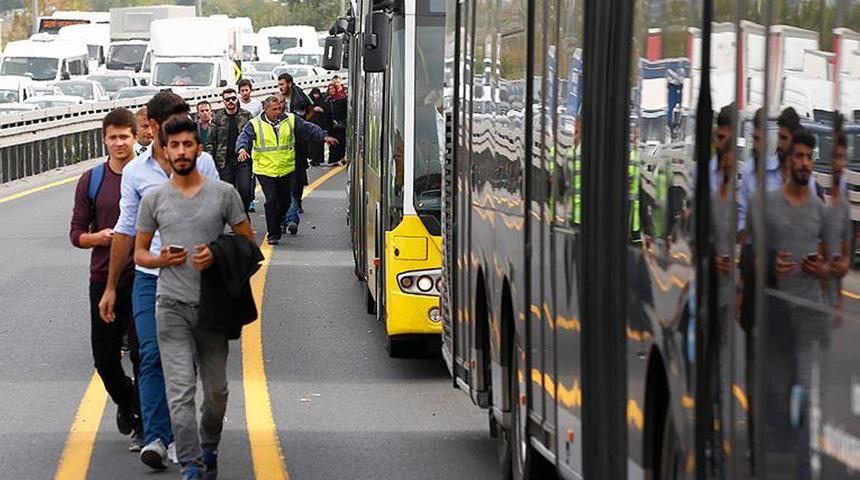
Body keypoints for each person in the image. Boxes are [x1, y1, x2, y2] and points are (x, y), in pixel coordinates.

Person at [99, 91, 220, 471]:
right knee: (150, 355)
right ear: (150, 127)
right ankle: (155, 436)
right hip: (150, 278)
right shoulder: (135, 173)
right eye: (168, 124)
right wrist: (112, 286)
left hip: (195, 279)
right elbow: (124, 230)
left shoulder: (205, 164)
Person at [135, 116, 254, 480]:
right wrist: (161, 259)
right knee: (180, 392)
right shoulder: (154, 199)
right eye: (175, 146)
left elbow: (249, 246)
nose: (182, 151)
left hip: (213, 309)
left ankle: (209, 446)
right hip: (170, 306)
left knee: (216, 394)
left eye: (188, 145)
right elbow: (139, 254)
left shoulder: (223, 193)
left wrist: (217, 254)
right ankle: (190, 463)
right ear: (166, 152)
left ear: (198, 149)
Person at [69, 108, 143, 452]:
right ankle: (127, 398)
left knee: (144, 355)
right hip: (103, 278)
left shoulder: (148, 175)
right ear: (104, 139)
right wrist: (99, 238)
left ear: (135, 137)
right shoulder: (92, 180)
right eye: (112, 137)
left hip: (144, 276)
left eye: (124, 136)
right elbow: (76, 234)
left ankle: (145, 421)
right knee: (104, 357)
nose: (118, 143)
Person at [236, 95, 338, 243]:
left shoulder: (290, 120)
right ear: (266, 109)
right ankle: (273, 234)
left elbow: (308, 128)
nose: (278, 112)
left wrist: (324, 136)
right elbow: (244, 138)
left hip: (285, 169)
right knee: (271, 200)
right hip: (265, 170)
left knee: (285, 201)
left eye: (280, 108)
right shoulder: (255, 124)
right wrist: (242, 150)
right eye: (274, 109)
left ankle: (279, 222)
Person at [205, 89, 253, 211]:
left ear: (237, 99)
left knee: (245, 190)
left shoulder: (246, 115)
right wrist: (211, 161)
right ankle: (237, 219)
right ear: (223, 101)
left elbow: (254, 137)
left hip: (243, 159)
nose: (231, 101)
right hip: (224, 161)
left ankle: (244, 213)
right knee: (228, 193)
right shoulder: (217, 117)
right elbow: (210, 141)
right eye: (227, 99)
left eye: (233, 98)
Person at [277, 72, 312, 211]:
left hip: (298, 142)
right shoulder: (277, 98)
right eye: (278, 84)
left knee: (298, 174)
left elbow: (311, 108)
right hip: (283, 143)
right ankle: (288, 202)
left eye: (282, 84)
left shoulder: (301, 96)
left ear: (289, 84)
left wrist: (303, 123)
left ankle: (297, 201)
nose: (280, 87)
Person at [326, 83, 348, 166]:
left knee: (341, 142)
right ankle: (334, 159)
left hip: (340, 124)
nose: (331, 90)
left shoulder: (342, 98)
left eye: (333, 88)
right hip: (331, 125)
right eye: (330, 89)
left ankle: (341, 157)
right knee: (332, 142)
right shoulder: (328, 100)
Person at [306, 87, 329, 166]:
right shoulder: (309, 103)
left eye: (317, 94)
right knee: (312, 144)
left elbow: (327, 112)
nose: (316, 96)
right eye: (315, 94)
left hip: (321, 125)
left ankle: (319, 159)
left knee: (320, 143)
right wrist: (313, 110)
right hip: (312, 125)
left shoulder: (322, 101)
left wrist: (321, 110)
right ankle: (313, 159)